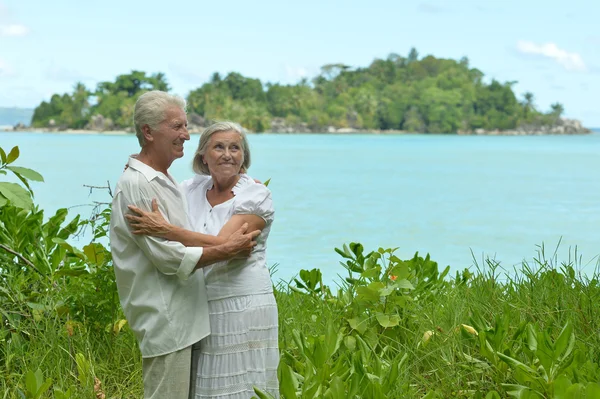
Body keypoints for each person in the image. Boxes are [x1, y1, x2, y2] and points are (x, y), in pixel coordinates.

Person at [110, 92, 261, 399]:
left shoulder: (165, 179)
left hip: (183, 317)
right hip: (166, 320)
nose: (186, 134)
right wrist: (227, 249)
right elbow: (168, 258)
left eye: (186, 125)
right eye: (177, 126)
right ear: (149, 132)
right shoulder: (139, 184)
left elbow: (178, 234)